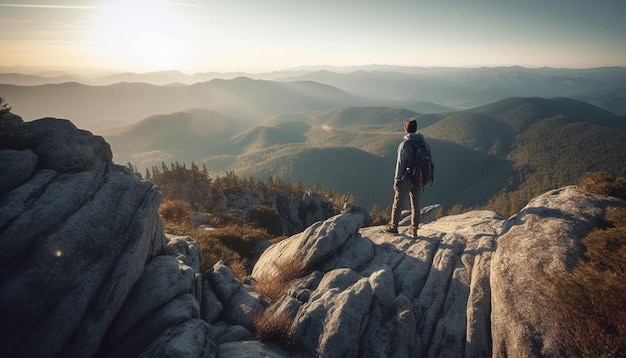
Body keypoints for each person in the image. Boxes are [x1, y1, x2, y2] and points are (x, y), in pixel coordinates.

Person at [382, 118, 430, 237]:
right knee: (416, 204)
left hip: (406, 178)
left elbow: (400, 164)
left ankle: (393, 226)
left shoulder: (405, 144)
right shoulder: (424, 143)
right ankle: (414, 229)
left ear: (405, 129)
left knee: (398, 203)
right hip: (418, 178)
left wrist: (397, 180)